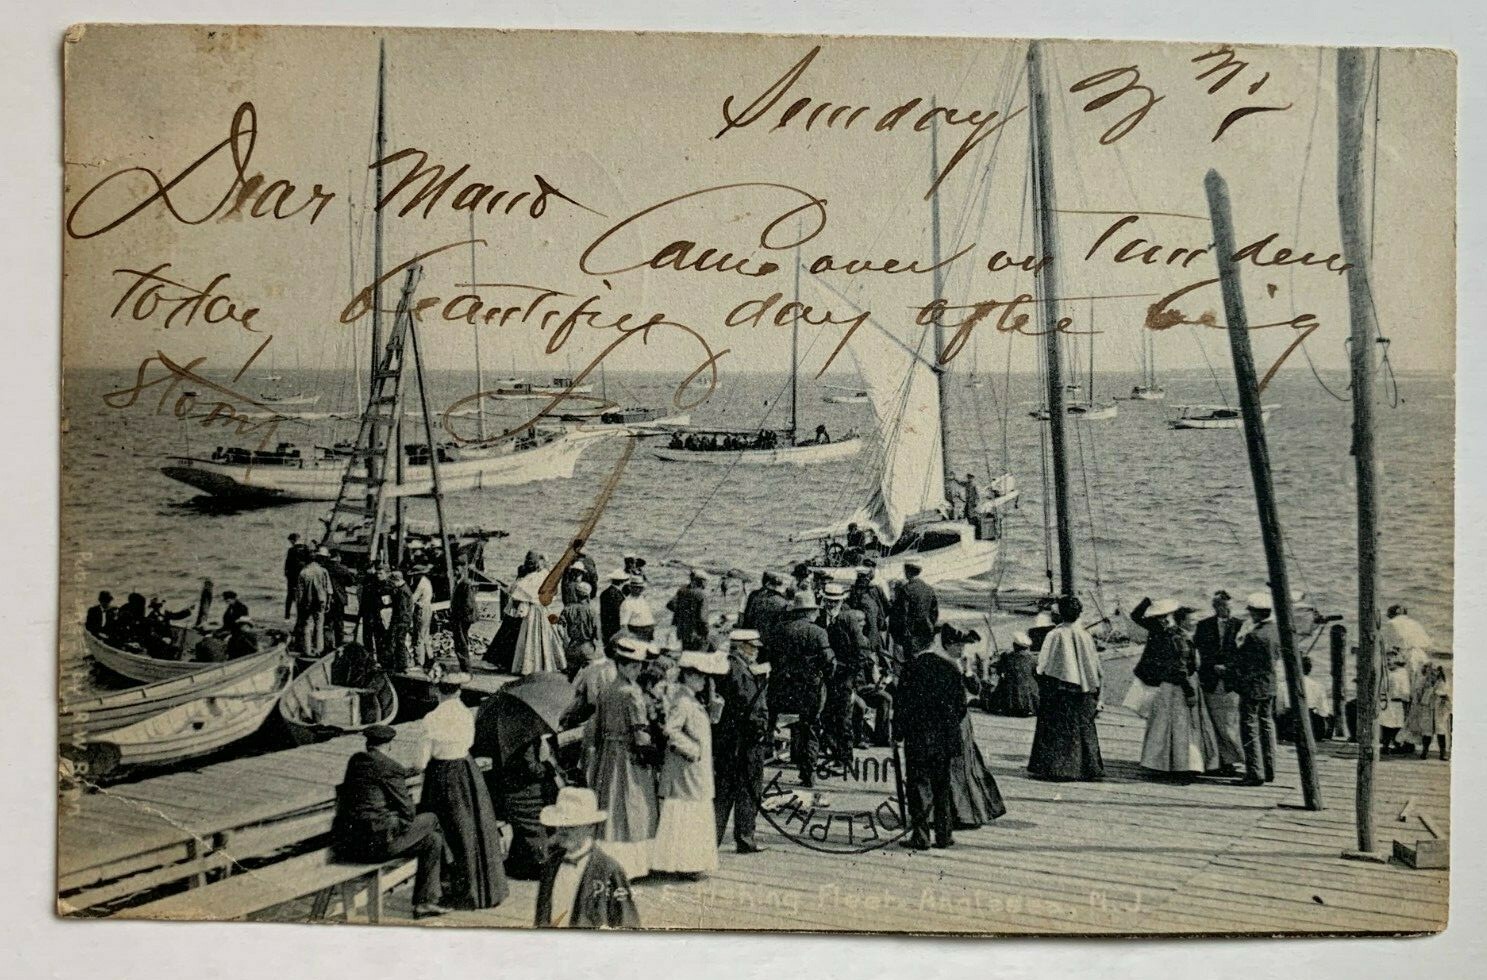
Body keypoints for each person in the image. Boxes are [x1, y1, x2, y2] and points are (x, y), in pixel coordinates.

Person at [331, 724, 447, 919]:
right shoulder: (390, 768)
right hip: (378, 846)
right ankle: (448, 874)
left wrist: (401, 774)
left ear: (368, 744)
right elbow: (408, 812)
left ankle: (426, 902)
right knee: (432, 819)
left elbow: (376, 776)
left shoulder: (356, 761)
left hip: (351, 844)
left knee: (433, 840)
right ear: (390, 745)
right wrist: (400, 818)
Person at [418, 674, 509, 909]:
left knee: (442, 829)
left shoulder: (431, 718)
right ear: (458, 691)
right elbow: (469, 742)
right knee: (470, 828)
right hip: (466, 771)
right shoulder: (466, 714)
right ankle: (476, 889)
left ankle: (442, 888)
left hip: (441, 774)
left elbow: (420, 762)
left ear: (437, 691)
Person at [585, 638, 659, 880]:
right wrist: (651, 753)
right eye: (634, 666)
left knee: (609, 802)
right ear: (623, 666)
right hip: (628, 755)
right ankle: (633, 864)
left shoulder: (606, 690)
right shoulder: (632, 693)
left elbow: (596, 728)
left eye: (639, 666)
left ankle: (606, 859)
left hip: (608, 754)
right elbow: (640, 732)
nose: (637, 671)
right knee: (633, 804)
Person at [652, 651, 729, 878]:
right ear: (688, 676)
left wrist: (714, 708)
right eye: (700, 677)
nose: (704, 681)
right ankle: (687, 864)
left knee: (692, 813)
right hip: (686, 769)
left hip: (693, 770)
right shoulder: (683, 701)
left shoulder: (691, 700)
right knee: (688, 814)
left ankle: (689, 863)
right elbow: (671, 730)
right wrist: (693, 750)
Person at [895, 625, 967, 850]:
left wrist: (897, 734)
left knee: (918, 786)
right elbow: (961, 707)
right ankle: (944, 835)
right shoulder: (950, 668)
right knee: (942, 786)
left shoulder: (910, 669)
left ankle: (921, 836)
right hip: (944, 738)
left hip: (918, 737)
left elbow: (901, 706)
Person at [1131, 598, 1218, 780]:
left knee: (1168, 725)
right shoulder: (1178, 638)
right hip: (1180, 686)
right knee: (1184, 726)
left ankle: (1166, 763)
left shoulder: (1172, 634)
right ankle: (1184, 765)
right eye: (1191, 619)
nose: (1195, 622)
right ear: (1181, 621)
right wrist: (1190, 692)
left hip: (1171, 685)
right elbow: (1180, 668)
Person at [534, 787, 639, 929]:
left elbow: (627, 921)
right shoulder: (551, 865)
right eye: (560, 826)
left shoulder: (609, 869)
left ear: (590, 827)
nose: (564, 831)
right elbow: (542, 915)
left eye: (572, 826)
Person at [1027, 595, 1105, 781]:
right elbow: (1095, 667)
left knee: (1057, 728)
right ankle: (1087, 768)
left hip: (1059, 689)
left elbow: (1042, 664)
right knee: (1083, 730)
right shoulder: (1085, 635)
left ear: (1060, 614)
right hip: (1084, 690)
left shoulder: (1055, 634)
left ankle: (1057, 769)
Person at [939, 624, 1007, 829]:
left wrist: (968, 672)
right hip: (945, 721)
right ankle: (957, 813)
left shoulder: (961, 664)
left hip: (962, 722)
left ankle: (970, 812)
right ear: (947, 645)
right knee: (952, 766)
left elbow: (976, 690)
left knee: (966, 765)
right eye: (958, 646)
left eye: (963, 646)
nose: (962, 650)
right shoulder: (939, 664)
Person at [713, 629, 769, 854]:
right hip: (744, 741)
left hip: (729, 740)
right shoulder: (740, 671)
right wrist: (760, 730)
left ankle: (712, 839)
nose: (756, 651)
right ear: (741, 646)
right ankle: (745, 838)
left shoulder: (730, 666)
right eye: (752, 646)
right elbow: (748, 705)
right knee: (747, 788)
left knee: (724, 790)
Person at [770, 590, 834, 788]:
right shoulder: (818, 632)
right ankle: (808, 772)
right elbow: (829, 662)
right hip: (810, 687)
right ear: (809, 612)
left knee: (793, 725)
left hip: (784, 688)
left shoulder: (780, 630)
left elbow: (770, 656)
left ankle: (788, 756)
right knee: (811, 727)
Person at [1231, 592, 1280, 786]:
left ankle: (1254, 772)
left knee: (1249, 728)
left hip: (1252, 687)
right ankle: (1269, 769)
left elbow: (1241, 660)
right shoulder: (1276, 630)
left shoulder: (1253, 636)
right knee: (1267, 725)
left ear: (1257, 613)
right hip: (1269, 684)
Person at [1194, 589, 1244, 775]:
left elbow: (1244, 654)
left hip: (1231, 682)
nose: (1228, 610)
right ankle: (1217, 761)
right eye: (1224, 607)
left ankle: (1232, 759)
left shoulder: (1240, 625)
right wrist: (1212, 665)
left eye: (1230, 607)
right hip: (1210, 680)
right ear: (1216, 607)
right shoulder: (1204, 625)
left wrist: (1229, 667)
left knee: (1229, 723)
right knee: (1212, 722)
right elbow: (1199, 650)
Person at [820, 582, 870, 767]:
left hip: (844, 677)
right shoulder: (820, 618)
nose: (831, 605)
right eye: (828, 601)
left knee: (843, 719)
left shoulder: (848, 619)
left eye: (835, 601)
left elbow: (862, 650)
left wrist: (851, 676)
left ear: (841, 601)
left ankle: (845, 759)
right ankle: (834, 754)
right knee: (826, 717)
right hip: (826, 677)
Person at [511, 575, 568, 676]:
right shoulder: (544, 578)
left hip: (533, 612)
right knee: (545, 637)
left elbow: (517, 596)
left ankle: (529, 667)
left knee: (530, 638)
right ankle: (546, 665)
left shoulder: (527, 581)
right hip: (542, 609)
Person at [889, 562, 939, 659]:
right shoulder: (929, 589)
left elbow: (902, 614)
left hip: (910, 634)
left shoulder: (906, 590)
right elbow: (934, 612)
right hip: (926, 632)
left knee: (911, 661)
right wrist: (930, 625)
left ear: (908, 572)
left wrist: (899, 635)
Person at [1407, 662, 1451, 760]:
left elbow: (1447, 695)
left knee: (1440, 730)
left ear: (1439, 672)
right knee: (1427, 731)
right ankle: (1425, 751)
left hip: (1439, 709)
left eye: (1436, 671)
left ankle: (1443, 753)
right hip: (1427, 708)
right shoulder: (1424, 681)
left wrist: (1442, 697)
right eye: (1431, 671)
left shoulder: (1442, 682)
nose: (1433, 673)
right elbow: (1418, 695)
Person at [989, 632, 1039, 717]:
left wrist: (998, 658)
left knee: (1002, 681)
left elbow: (998, 670)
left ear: (1014, 645)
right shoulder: (1033, 658)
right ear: (1027, 647)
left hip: (1010, 700)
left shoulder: (1007, 656)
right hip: (1030, 695)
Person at [294, 549, 334, 657]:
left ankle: (307, 650)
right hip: (321, 602)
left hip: (307, 602)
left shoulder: (303, 572)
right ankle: (319, 649)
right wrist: (328, 603)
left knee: (307, 626)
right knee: (319, 626)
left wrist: (299, 606)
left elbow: (300, 593)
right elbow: (329, 589)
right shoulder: (323, 571)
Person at [558, 580, 601, 675]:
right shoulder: (592, 611)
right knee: (588, 676)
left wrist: (565, 642)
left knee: (571, 676)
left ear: (576, 594)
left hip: (572, 646)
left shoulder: (567, 609)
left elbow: (560, 628)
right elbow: (597, 635)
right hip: (587, 647)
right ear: (588, 595)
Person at [1378, 648, 1413, 754]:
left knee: (1394, 725)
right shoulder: (1389, 672)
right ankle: (1386, 745)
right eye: (1387, 659)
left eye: (1390, 659)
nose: (1388, 662)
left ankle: (1398, 745)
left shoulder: (1401, 672)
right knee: (1386, 724)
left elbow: (1405, 691)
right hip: (1387, 702)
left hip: (1396, 702)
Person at [668, 570, 711, 650]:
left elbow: (670, 605)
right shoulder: (701, 594)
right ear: (701, 581)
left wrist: (683, 612)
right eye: (706, 581)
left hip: (682, 631)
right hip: (696, 633)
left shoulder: (682, 590)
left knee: (686, 654)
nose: (706, 584)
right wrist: (706, 632)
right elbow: (702, 618)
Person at [449, 562, 479, 669]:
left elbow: (468, 603)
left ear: (459, 571)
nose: (453, 573)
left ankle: (465, 666)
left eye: (455, 571)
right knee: (462, 641)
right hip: (461, 616)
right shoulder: (461, 583)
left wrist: (461, 615)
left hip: (461, 617)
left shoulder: (464, 584)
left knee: (461, 642)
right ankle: (465, 665)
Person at [386, 571, 415, 672]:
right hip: (404, 620)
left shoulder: (402, 591)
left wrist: (395, 622)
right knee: (399, 642)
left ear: (397, 580)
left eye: (392, 582)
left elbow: (401, 609)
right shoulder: (404, 588)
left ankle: (402, 665)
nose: (392, 585)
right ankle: (400, 665)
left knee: (399, 642)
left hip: (401, 620)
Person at [409, 564, 436, 668]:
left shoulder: (421, 584)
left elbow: (413, 599)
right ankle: (430, 658)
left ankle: (419, 661)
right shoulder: (427, 581)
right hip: (427, 609)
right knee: (425, 635)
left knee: (419, 636)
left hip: (421, 610)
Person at [560, 538, 600, 608]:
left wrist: (565, 601)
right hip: (585, 594)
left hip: (572, 597)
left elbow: (564, 584)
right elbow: (594, 580)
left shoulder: (570, 562)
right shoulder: (590, 560)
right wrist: (592, 595)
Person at [618, 577, 656, 642]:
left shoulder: (642, 599)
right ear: (631, 588)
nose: (639, 590)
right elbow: (623, 624)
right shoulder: (627, 603)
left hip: (648, 632)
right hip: (637, 632)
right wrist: (629, 638)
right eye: (636, 587)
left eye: (641, 588)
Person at [599, 569, 629, 651]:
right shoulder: (618, 596)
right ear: (622, 582)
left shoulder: (604, 593)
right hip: (616, 629)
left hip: (605, 628)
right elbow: (619, 614)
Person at [283, 533, 310, 619]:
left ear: (293, 540)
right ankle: (302, 615)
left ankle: (287, 615)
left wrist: (287, 574)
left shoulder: (291, 550)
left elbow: (287, 564)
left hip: (292, 577)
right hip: (304, 575)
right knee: (304, 596)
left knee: (290, 596)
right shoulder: (306, 548)